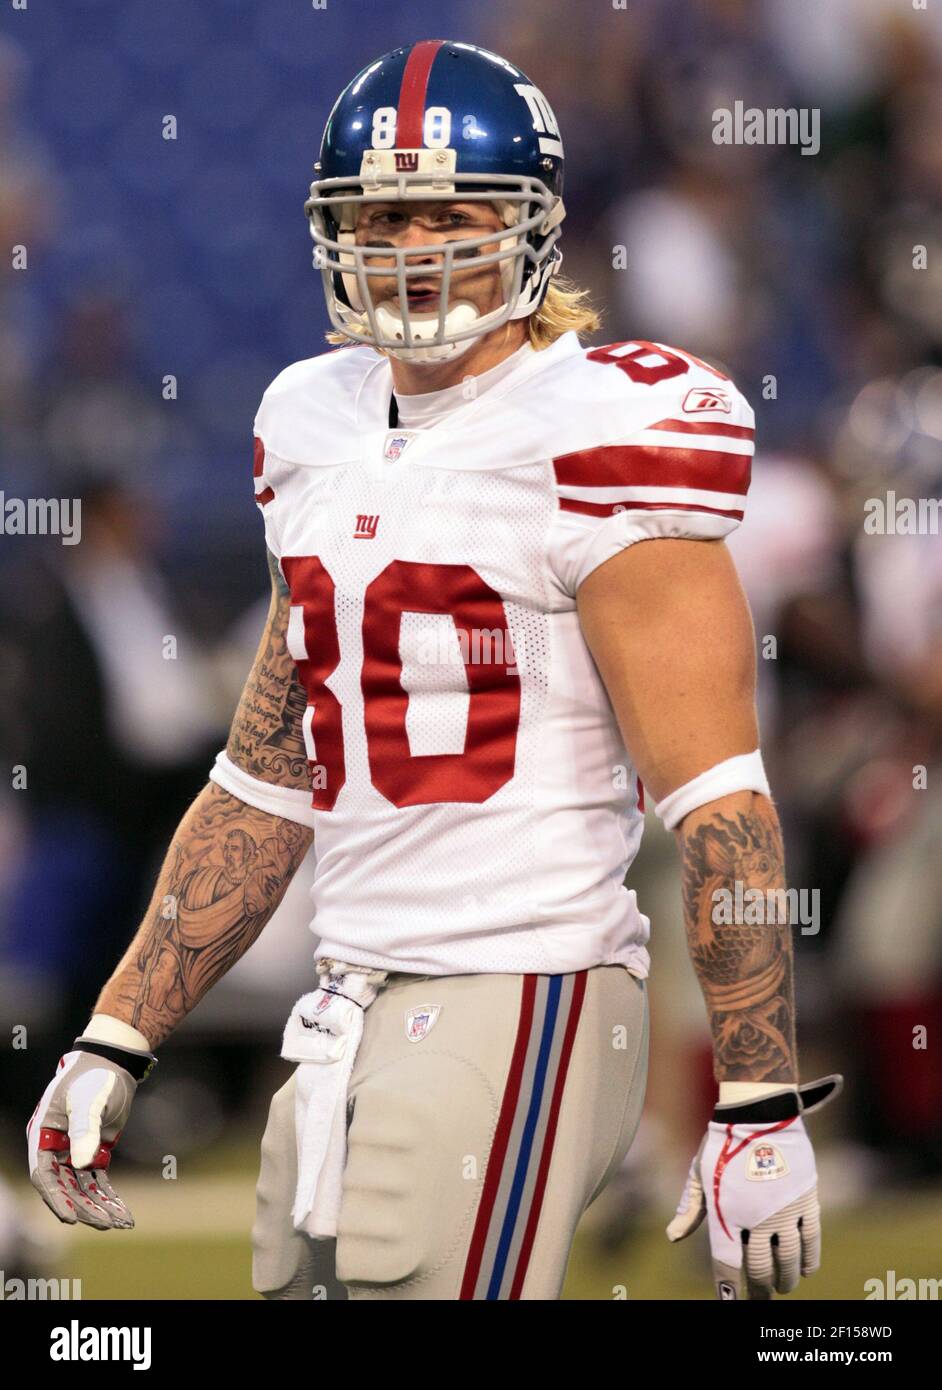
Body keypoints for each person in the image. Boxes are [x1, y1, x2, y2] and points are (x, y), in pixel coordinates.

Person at [26, 39, 840, 1301]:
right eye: (381, 213)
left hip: (528, 987)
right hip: (347, 995)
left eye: (455, 214)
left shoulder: (599, 430)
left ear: (535, 228)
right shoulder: (310, 423)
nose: (413, 247)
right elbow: (264, 782)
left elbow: (721, 804)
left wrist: (758, 1093)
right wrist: (119, 1031)